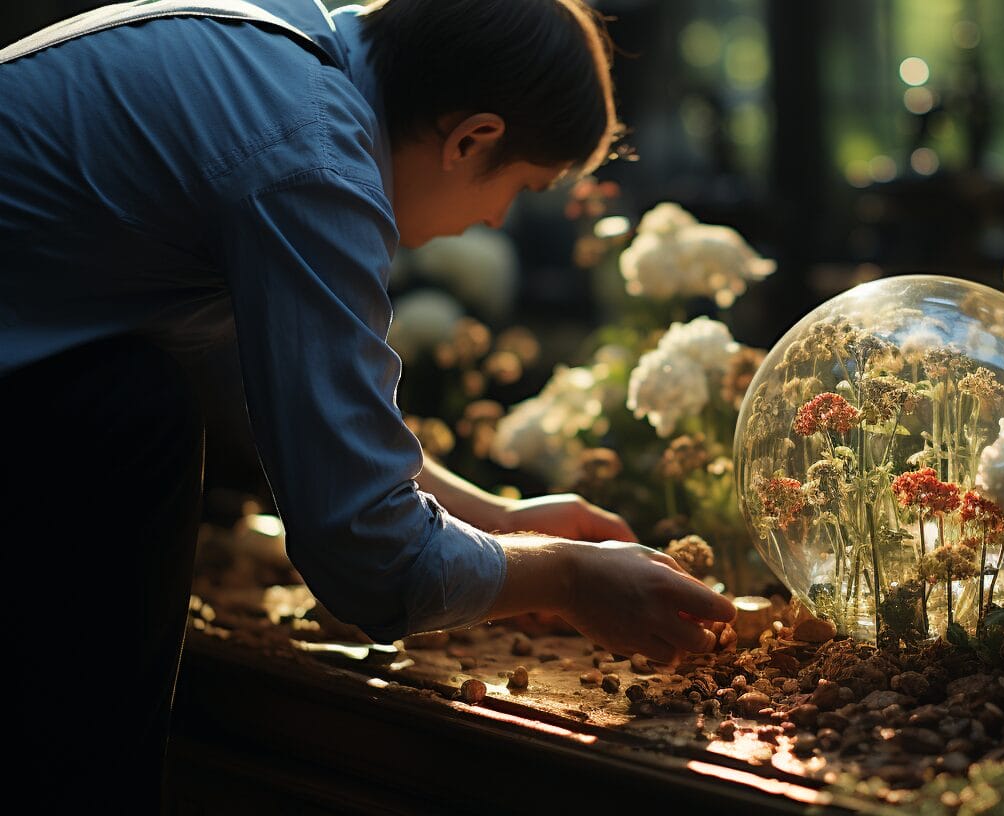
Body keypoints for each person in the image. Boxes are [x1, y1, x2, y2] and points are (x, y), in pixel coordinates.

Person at [0, 0, 733, 804]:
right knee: (136, 414)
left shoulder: (287, 49)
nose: (497, 219)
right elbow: (368, 561)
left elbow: (261, 393)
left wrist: (503, 522)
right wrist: (568, 579)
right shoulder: (313, 156)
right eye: (522, 188)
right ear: (471, 140)